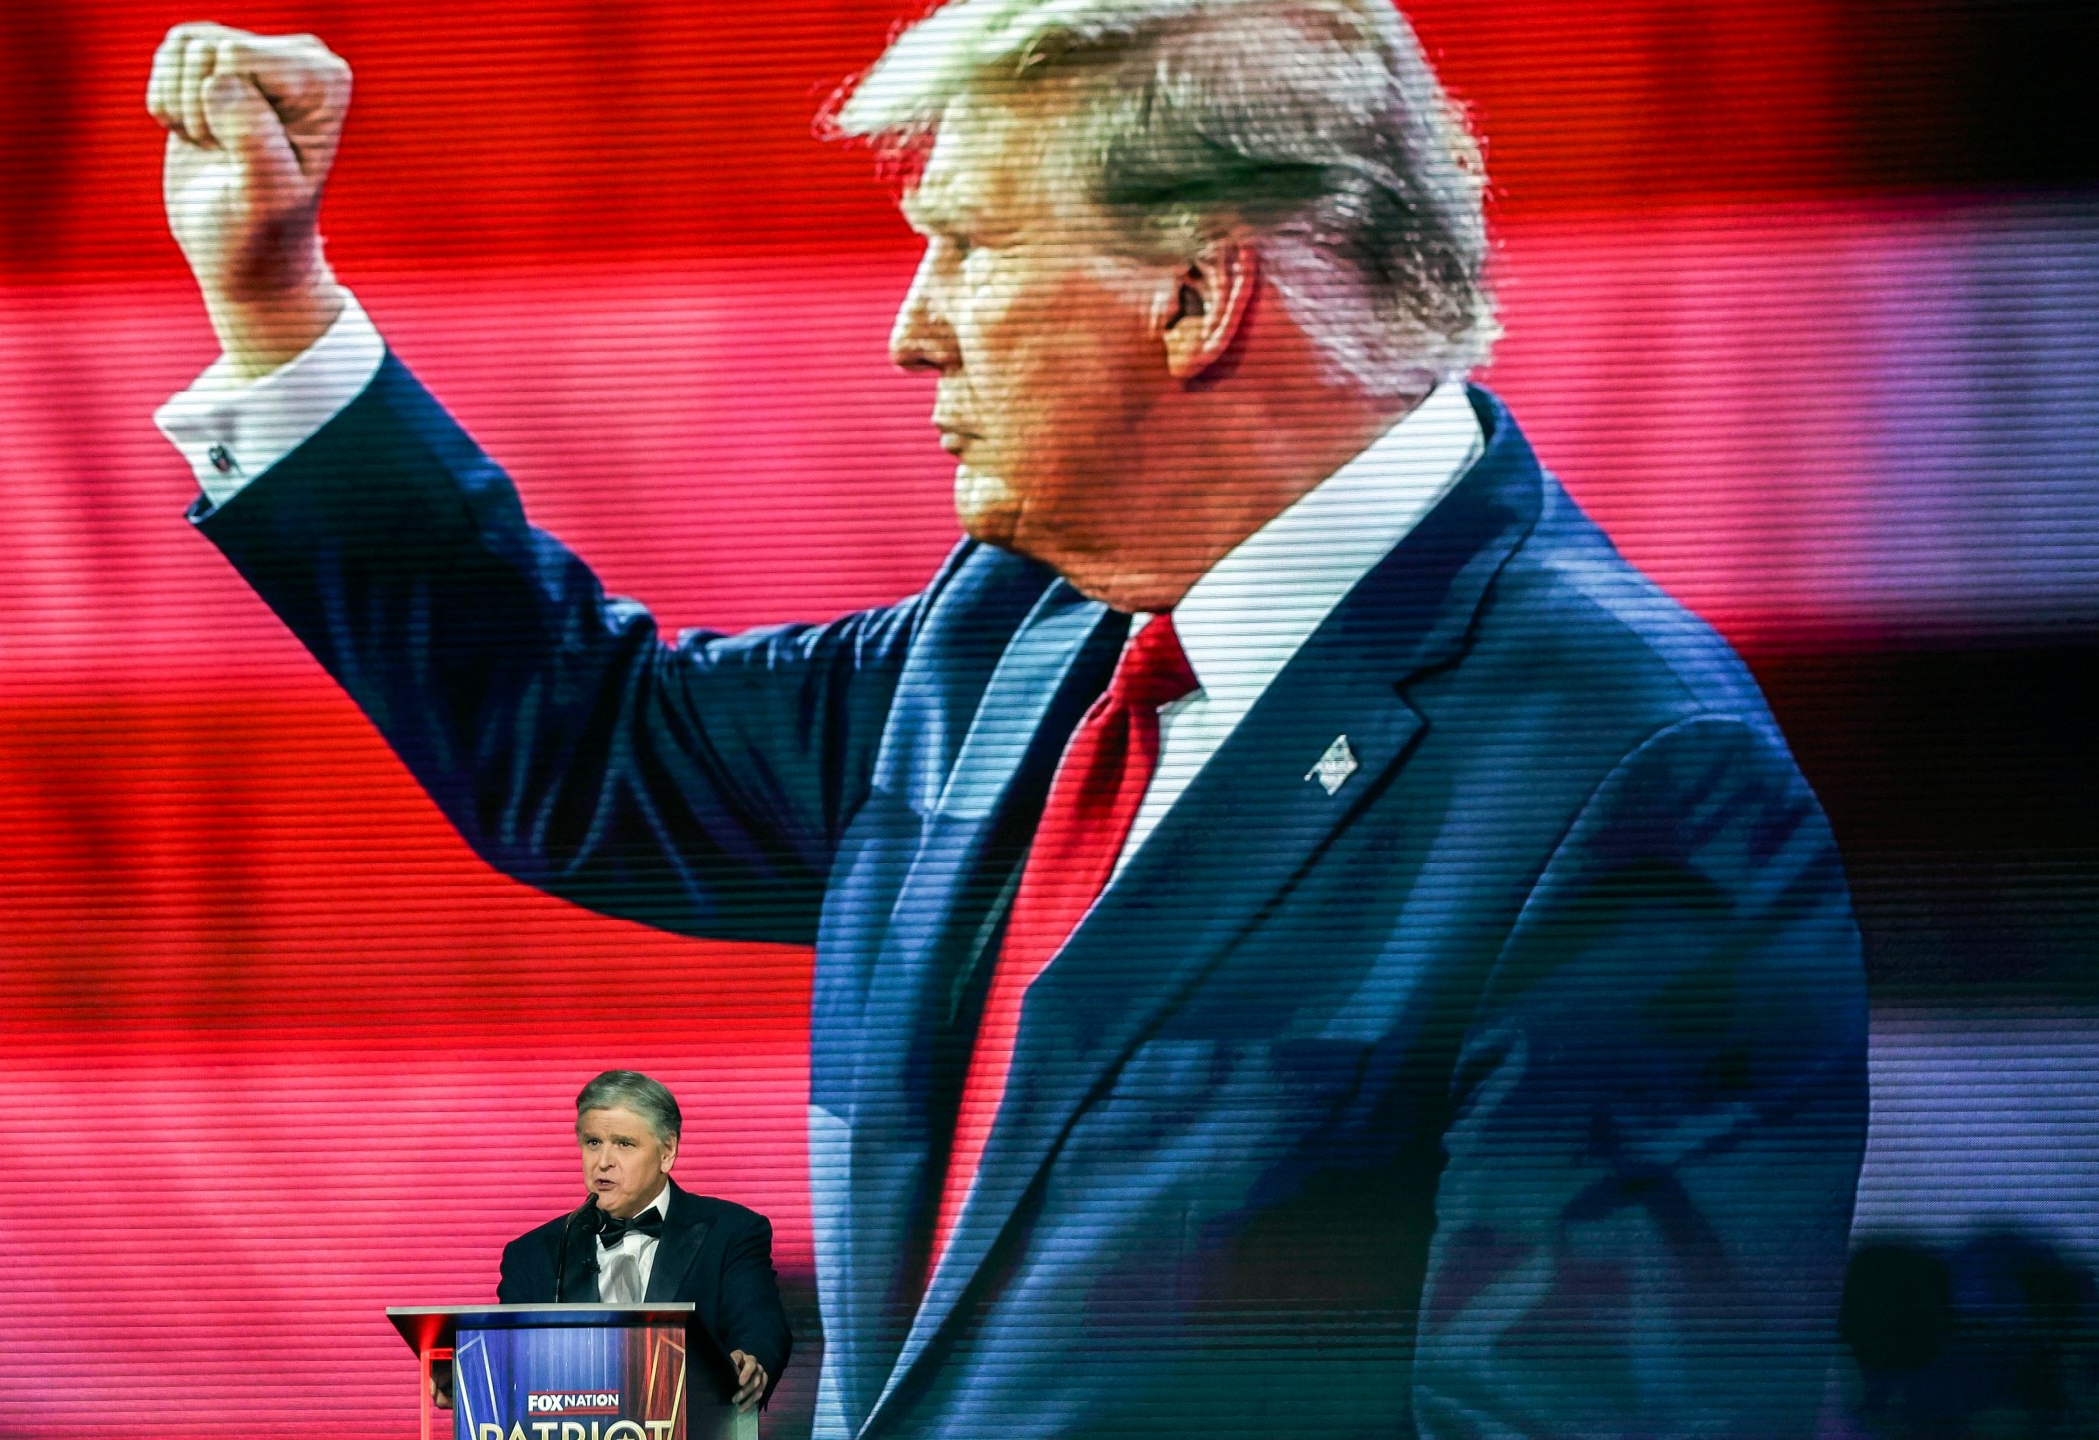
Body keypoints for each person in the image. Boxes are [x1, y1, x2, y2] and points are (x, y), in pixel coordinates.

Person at [144, 3, 1869, 1435]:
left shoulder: (1636, 783)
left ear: (1196, 297)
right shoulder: (1018, 631)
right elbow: (595, 750)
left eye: (963, 247)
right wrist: (275, 308)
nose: (910, 333)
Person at [488, 1072, 792, 1414]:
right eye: (593, 1143)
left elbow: (760, 1324)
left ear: (667, 1151)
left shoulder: (731, 1232)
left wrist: (752, 1362)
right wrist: (460, 1379)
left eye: (623, 1143)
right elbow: (504, 1356)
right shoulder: (534, 1255)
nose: (602, 1162)